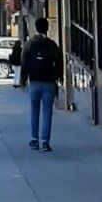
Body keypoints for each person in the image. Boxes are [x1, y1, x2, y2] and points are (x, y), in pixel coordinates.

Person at [20, 15, 62, 151]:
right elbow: (59, 61)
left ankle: (34, 139)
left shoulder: (29, 44)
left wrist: (22, 80)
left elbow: (24, 62)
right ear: (47, 29)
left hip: (34, 82)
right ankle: (45, 141)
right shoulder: (52, 45)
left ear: (36, 28)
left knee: (34, 111)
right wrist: (58, 77)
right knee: (47, 112)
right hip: (49, 82)